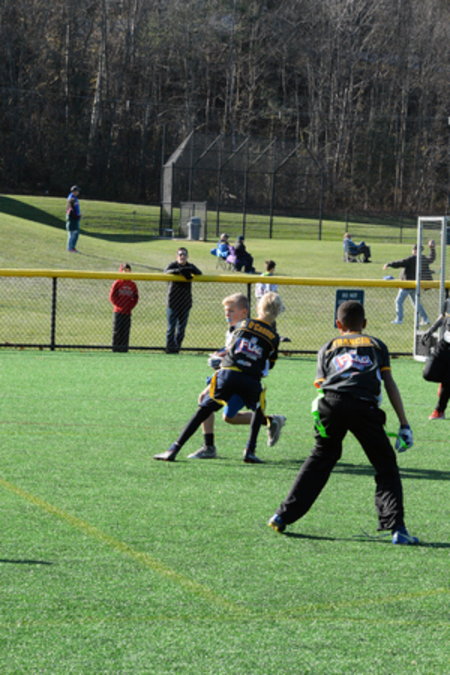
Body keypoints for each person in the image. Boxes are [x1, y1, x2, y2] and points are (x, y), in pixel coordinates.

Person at [268, 300, 419, 545]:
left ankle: (282, 516)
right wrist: (404, 423)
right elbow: (389, 383)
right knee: (385, 466)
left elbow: (320, 387)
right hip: (363, 405)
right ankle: (397, 529)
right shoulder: (376, 344)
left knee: (320, 458)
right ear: (365, 323)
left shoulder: (328, 346)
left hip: (331, 404)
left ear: (338, 324)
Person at [154, 291, 284, 463]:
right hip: (251, 379)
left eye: (231, 310)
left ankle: (174, 449)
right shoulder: (274, 337)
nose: (227, 314)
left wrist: (221, 359)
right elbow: (269, 364)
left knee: (204, 409)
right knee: (258, 409)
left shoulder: (244, 323)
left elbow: (233, 348)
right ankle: (249, 451)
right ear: (279, 312)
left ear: (257, 308)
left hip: (230, 373)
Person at [383, 240, 435, 324]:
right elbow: (431, 258)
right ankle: (425, 319)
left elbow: (400, 263)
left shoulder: (412, 259)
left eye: (414, 249)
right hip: (414, 285)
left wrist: (389, 264)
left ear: (415, 250)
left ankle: (399, 319)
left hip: (406, 285)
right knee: (416, 303)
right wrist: (432, 249)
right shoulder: (423, 259)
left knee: (398, 301)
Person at [164, 247, 202, 353]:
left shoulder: (190, 266)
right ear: (177, 256)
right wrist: (179, 271)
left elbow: (199, 273)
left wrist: (189, 270)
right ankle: (169, 349)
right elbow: (166, 272)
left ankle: (177, 348)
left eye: (184, 254)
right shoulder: (173, 265)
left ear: (187, 256)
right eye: (180, 254)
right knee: (171, 328)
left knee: (181, 329)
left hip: (185, 302)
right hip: (172, 301)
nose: (182, 256)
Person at [421, 293, 450, 420]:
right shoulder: (449, 301)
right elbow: (444, 316)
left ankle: (439, 411)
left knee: (448, 380)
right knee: (428, 374)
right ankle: (444, 380)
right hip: (445, 343)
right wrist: (431, 330)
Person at [109, 263, 139, 352]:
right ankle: (115, 349)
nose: (126, 272)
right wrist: (119, 305)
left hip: (127, 312)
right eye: (124, 270)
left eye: (128, 270)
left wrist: (129, 306)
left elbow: (135, 298)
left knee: (125, 332)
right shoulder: (117, 283)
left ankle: (124, 349)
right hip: (118, 311)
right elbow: (112, 296)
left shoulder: (132, 284)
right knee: (117, 331)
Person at [65, 185, 81, 252]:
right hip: (72, 218)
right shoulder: (72, 198)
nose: (78, 192)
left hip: (74, 217)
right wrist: (77, 215)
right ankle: (70, 248)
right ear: (74, 191)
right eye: (77, 191)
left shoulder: (74, 197)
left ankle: (72, 247)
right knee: (73, 233)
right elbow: (71, 209)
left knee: (74, 233)